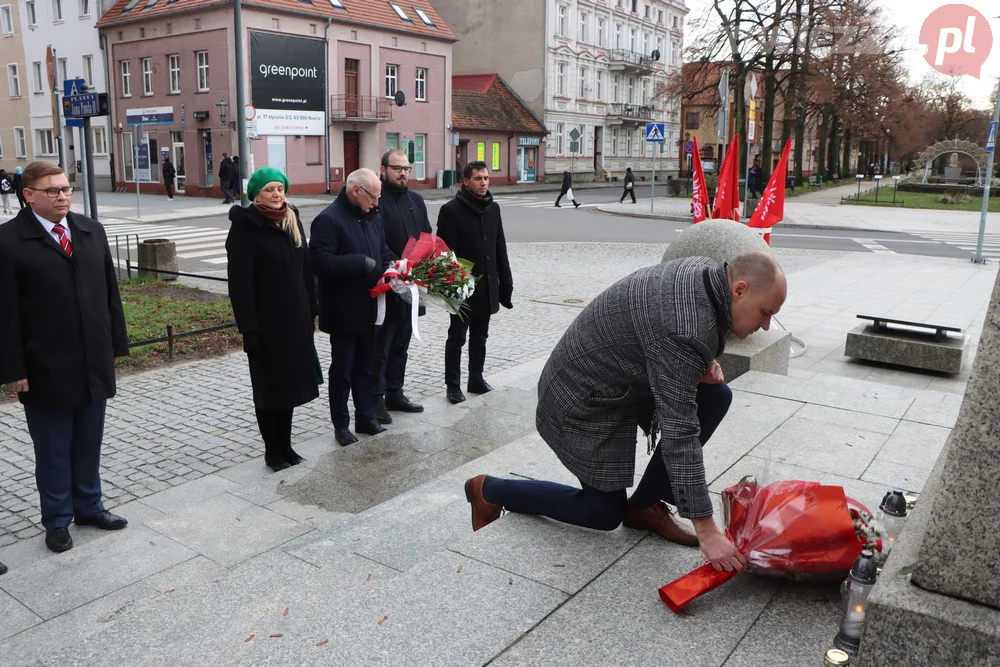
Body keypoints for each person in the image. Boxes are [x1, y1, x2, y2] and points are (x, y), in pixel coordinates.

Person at [463, 252, 788, 576]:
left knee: (715, 396)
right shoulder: (686, 327)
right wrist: (707, 530)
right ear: (740, 290)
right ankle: (489, 490)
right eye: (765, 312)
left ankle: (645, 504)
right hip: (578, 398)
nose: (765, 325)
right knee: (604, 514)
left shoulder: (709, 274)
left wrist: (700, 362)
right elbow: (680, 431)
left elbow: (664, 332)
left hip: (611, 379)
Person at [0, 161, 130, 554]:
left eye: (66, 189)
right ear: (29, 195)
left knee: (88, 443)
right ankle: (56, 520)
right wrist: (13, 370)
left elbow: (110, 295)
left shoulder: (90, 230)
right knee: (54, 449)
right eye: (52, 191)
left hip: (92, 359)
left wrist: (115, 347)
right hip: (44, 366)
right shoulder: (8, 241)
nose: (62, 196)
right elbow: (4, 313)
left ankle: (89, 507)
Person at [226, 167, 320, 471]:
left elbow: (306, 270)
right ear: (256, 194)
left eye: (280, 188)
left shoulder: (292, 219)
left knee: (290, 387)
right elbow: (239, 285)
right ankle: (272, 450)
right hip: (266, 326)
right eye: (269, 189)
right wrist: (249, 330)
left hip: (295, 322)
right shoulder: (245, 227)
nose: (277, 194)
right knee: (269, 390)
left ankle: (287, 445)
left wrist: (312, 310)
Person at [310, 168, 392, 446]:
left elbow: (382, 248)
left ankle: (365, 416)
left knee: (365, 367)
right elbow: (320, 262)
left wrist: (394, 266)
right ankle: (341, 424)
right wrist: (357, 263)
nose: (377, 202)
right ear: (356, 190)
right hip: (343, 309)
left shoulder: (371, 216)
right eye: (374, 196)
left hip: (371, 305)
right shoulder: (328, 220)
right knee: (343, 369)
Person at [436, 161, 513, 405]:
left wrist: (506, 283)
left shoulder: (493, 209)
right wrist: (452, 288)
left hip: (488, 285)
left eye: (486, 178)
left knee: (481, 336)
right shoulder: (451, 210)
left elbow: (500, 247)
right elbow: (444, 255)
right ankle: (453, 385)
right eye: (478, 178)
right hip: (462, 288)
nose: (483, 183)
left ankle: (476, 378)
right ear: (465, 181)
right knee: (457, 337)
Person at [372, 149, 431, 424]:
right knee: (381, 347)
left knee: (402, 344)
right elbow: (375, 239)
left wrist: (425, 265)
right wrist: (394, 267)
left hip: (412, 287)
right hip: (386, 283)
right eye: (397, 168)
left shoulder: (416, 200)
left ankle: (396, 392)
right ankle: (376, 399)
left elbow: (426, 237)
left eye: (407, 168)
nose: (403, 173)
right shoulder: (376, 200)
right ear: (383, 170)